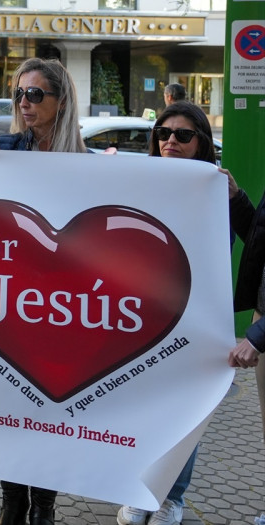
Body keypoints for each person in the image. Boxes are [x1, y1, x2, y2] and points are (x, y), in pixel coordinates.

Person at [0, 57, 89, 525]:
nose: (24, 103)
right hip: (6, 302)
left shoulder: (85, 164)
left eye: (35, 95)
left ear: (61, 102)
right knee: (7, 406)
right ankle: (12, 502)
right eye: (19, 93)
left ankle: (44, 504)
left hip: (58, 307)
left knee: (49, 409)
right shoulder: (3, 148)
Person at [114, 101, 224, 525]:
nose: (171, 142)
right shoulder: (141, 180)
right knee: (141, 407)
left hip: (193, 320)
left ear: (201, 141)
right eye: (163, 134)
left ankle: (170, 498)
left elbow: (251, 239)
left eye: (183, 135)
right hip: (138, 314)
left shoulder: (215, 186)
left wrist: (233, 197)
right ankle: (137, 492)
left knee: (184, 413)